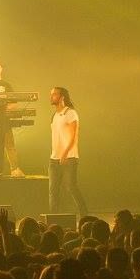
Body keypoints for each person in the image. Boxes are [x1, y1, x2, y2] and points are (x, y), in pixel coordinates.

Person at [48, 86, 87, 216]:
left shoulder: (70, 113)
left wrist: (64, 153)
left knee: (71, 187)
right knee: (53, 191)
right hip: (54, 159)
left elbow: (74, 136)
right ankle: (53, 219)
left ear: (62, 97)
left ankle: (84, 215)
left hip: (69, 157)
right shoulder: (54, 115)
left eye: (54, 94)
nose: (51, 96)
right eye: (51, 94)